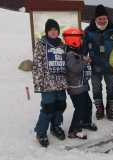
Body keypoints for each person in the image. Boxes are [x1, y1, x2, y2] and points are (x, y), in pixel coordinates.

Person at [33, 19, 68, 147]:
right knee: (48, 107)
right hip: (47, 83)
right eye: (50, 29)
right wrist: (38, 82)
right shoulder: (41, 45)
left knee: (60, 105)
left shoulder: (62, 45)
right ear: (47, 31)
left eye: (55, 29)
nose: (53, 32)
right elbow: (37, 65)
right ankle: (41, 131)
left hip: (61, 82)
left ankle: (55, 126)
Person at [83, 4, 113, 121]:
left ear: (107, 18)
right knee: (96, 88)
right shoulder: (89, 31)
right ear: (96, 19)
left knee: (111, 88)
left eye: (104, 18)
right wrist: (84, 56)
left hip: (110, 65)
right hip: (94, 65)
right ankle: (99, 108)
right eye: (100, 18)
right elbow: (84, 46)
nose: (103, 20)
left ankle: (110, 108)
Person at [63, 28, 97, 140]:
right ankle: (73, 130)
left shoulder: (77, 52)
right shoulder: (69, 54)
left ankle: (86, 122)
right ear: (74, 40)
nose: (83, 41)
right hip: (75, 87)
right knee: (80, 108)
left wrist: (85, 60)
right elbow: (75, 68)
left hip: (82, 85)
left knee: (88, 104)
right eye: (81, 39)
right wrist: (85, 61)